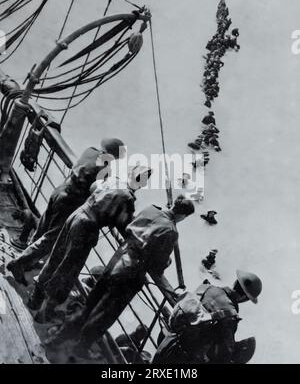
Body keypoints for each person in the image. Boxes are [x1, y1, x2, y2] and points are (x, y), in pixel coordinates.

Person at [45, 196, 195, 356]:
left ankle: (56, 339)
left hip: (117, 258)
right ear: (183, 216)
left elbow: (130, 226)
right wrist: (167, 261)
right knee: (104, 316)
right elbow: (158, 265)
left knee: (89, 305)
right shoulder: (171, 231)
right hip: (130, 275)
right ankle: (81, 348)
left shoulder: (151, 208)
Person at [30, 166, 153, 321]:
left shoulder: (114, 180)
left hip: (76, 215)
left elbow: (93, 187)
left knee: (56, 257)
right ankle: (44, 313)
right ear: (142, 183)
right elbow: (127, 226)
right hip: (86, 228)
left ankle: (34, 300)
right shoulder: (127, 198)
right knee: (68, 270)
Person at [7, 138, 126, 286]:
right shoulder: (106, 168)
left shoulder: (90, 150)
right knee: (52, 238)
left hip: (60, 191)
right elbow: (95, 190)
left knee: (43, 227)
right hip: (70, 202)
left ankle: (29, 259)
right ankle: (19, 263)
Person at [152, 270, 262, 364]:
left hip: (166, 342)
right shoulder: (230, 315)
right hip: (184, 358)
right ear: (244, 297)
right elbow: (224, 353)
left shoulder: (206, 287)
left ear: (235, 282)